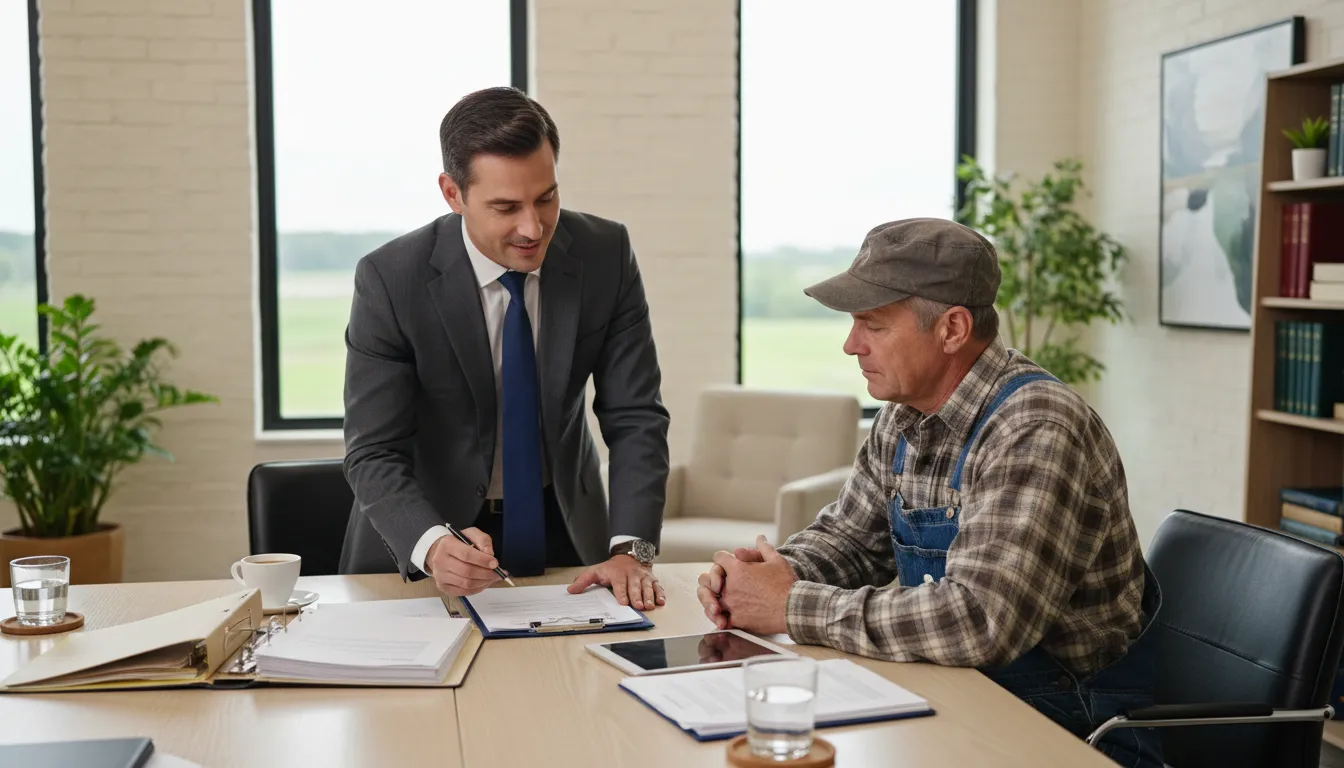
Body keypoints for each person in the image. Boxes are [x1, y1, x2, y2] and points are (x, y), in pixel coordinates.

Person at [695, 218, 1163, 767]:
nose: (851, 345)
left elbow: (980, 620)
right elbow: (850, 540)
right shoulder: (903, 418)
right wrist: (766, 575)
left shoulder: (1034, 428)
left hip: (1074, 726)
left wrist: (791, 604)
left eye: (872, 325)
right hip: (968, 693)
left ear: (953, 329)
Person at [339, 86, 670, 612]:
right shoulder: (390, 278)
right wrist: (431, 543)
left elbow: (636, 418)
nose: (532, 227)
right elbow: (372, 449)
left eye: (546, 197)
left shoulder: (605, 254)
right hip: (428, 544)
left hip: (565, 533)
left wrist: (634, 549)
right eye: (505, 207)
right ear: (453, 194)